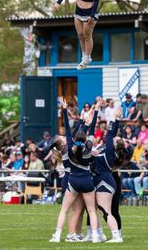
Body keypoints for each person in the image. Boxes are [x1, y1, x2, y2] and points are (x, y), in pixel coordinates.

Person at [49, 99, 100, 243]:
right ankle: (78, 234)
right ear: (61, 143)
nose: (66, 137)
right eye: (63, 138)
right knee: (81, 210)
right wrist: (94, 114)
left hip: (73, 179)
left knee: (77, 210)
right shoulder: (87, 147)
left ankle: (67, 234)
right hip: (82, 179)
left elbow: (74, 133)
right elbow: (86, 132)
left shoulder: (68, 148)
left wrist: (67, 112)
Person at [54, 0, 103, 70]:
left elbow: (96, 0)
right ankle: (84, 56)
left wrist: (91, 15)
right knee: (80, 35)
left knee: (87, 35)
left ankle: (87, 57)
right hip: (78, 11)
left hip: (89, 13)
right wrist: (58, 2)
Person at [92, 109, 125, 243]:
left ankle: (117, 236)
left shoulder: (110, 153)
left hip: (106, 181)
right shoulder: (105, 150)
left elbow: (110, 134)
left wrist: (114, 119)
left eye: (114, 140)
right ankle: (99, 234)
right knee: (100, 209)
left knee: (107, 211)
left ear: (115, 145)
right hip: (102, 180)